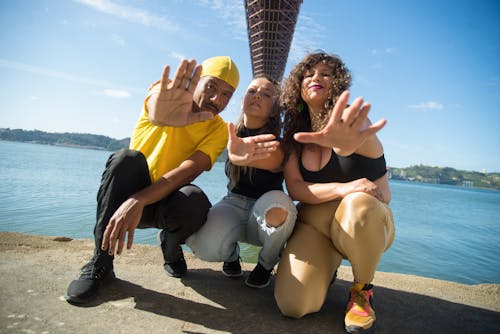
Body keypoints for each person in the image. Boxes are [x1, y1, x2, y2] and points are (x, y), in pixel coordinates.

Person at [65, 56, 240, 303]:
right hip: (123, 196)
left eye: (226, 95)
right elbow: (157, 107)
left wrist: (140, 200)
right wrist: (162, 112)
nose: (217, 100)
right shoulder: (168, 95)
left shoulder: (218, 128)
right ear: (196, 81)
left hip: (159, 203)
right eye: (211, 87)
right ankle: (101, 264)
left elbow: (189, 170)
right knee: (127, 159)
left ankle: (170, 248)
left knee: (195, 199)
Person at [274, 52, 395, 333]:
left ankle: (362, 291)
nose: (316, 77)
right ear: (298, 85)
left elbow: (382, 194)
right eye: (308, 74)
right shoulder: (294, 132)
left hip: (364, 225)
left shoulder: (354, 125)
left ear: (337, 83)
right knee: (293, 306)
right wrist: (344, 186)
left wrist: (345, 149)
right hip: (315, 229)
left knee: (358, 203)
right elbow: (296, 188)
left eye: (326, 73)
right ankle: (324, 271)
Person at [186, 75, 297, 288]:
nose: (257, 96)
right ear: (243, 99)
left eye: (266, 94)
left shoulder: (278, 143)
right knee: (204, 248)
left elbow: (275, 160)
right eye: (252, 91)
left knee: (279, 205)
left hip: (265, 209)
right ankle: (231, 255)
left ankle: (265, 264)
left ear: (274, 109)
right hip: (233, 203)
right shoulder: (228, 134)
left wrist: (244, 153)